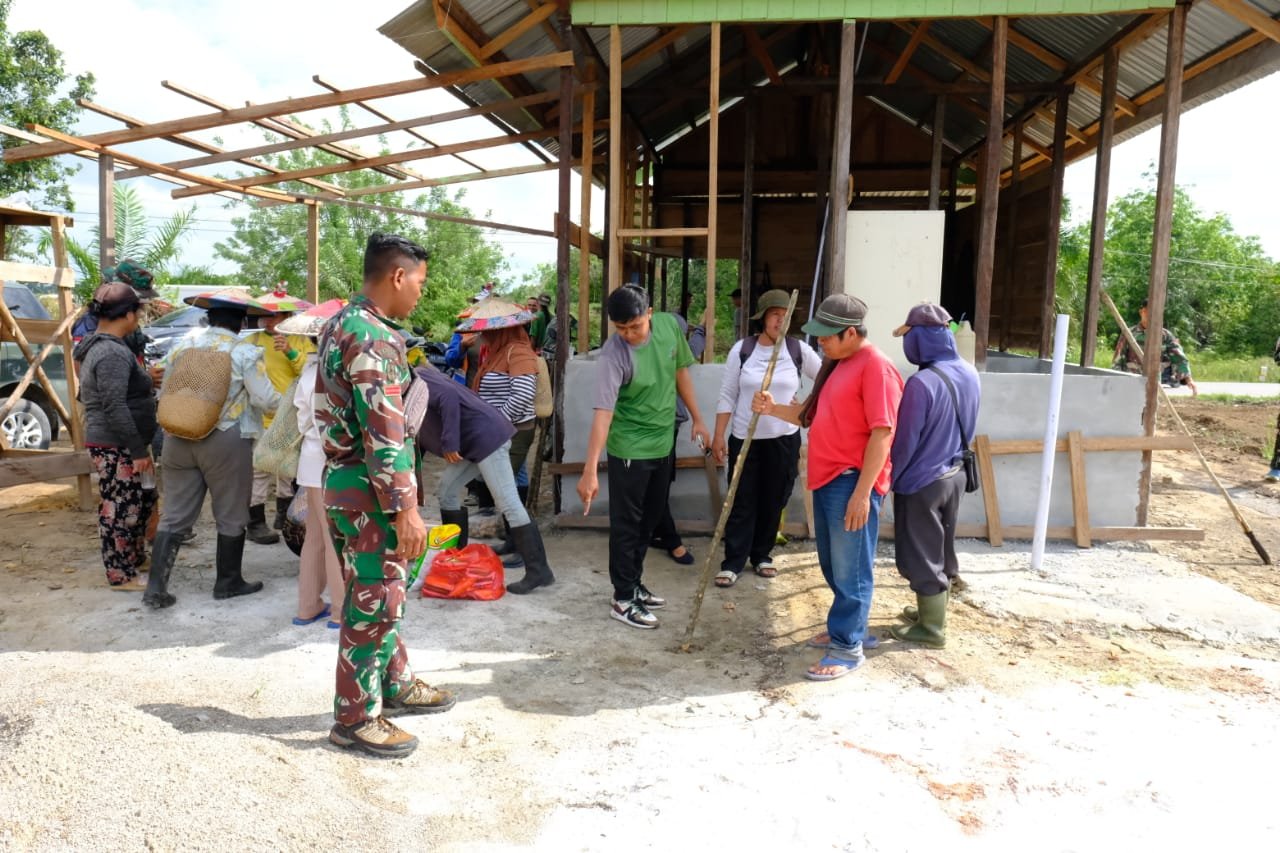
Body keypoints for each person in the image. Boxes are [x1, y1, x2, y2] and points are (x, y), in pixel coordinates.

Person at [317, 232, 455, 759]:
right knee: (375, 603)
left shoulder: (341, 324)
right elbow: (384, 433)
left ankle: (393, 684)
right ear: (398, 276)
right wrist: (406, 508)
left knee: (379, 592)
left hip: (350, 487)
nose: (421, 292)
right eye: (419, 281)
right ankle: (354, 719)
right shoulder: (371, 337)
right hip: (372, 493)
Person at [753, 294, 903, 680]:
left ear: (850, 332)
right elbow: (808, 416)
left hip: (852, 479)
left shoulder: (876, 368)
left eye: (826, 336)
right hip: (827, 477)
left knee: (851, 567)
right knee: (834, 564)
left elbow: (882, 434)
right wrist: (772, 409)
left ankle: (848, 648)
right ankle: (849, 629)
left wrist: (862, 493)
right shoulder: (838, 364)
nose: (819, 342)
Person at [578, 286, 710, 630]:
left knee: (650, 519)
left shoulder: (668, 327)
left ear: (649, 313)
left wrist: (697, 417)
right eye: (620, 329)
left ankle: (633, 582)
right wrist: (590, 469)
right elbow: (603, 413)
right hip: (629, 449)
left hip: (663, 441)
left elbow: (681, 371)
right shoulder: (613, 355)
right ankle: (622, 598)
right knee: (627, 524)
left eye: (634, 326)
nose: (628, 335)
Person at [143, 300, 281, 610]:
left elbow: (163, 385)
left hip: (178, 435)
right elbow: (265, 399)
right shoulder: (244, 351)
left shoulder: (183, 347)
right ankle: (228, 582)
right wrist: (290, 400)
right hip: (226, 439)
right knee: (231, 511)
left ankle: (155, 588)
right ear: (242, 323)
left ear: (208, 319)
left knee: (176, 513)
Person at [408, 365, 555, 593]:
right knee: (447, 492)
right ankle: (457, 559)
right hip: (472, 443)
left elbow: (447, 397)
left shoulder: (419, 377)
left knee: (508, 502)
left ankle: (539, 570)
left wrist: (450, 443)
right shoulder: (405, 388)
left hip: (487, 438)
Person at [711, 289, 822, 587]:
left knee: (775, 499)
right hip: (744, 440)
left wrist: (805, 405)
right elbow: (727, 395)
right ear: (763, 319)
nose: (780, 322)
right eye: (775, 315)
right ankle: (733, 561)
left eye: (785, 317)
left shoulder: (798, 351)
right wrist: (718, 435)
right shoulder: (743, 350)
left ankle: (762, 554)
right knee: (741, 500)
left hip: (784, 440)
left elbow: (826, 378)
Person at [886, 304, 980, 649]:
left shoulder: (921, 384)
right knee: (942, 546)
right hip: (955, 473)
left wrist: (889, 480)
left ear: (922, 338)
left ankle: (932, 628)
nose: (906, 343)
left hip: (921, 481)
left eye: (908, 335)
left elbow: (905, 442)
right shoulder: (969, 372)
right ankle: (930, 611)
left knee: (921, 551)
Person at [74, 283, 158, 590]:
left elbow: (91, 395)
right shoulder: (110, 351)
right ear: (128, 314)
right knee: (121, 508)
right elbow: (113, 404)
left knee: (139, 501)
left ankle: (133, 559)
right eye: (139, 311)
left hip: (119, 441)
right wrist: (136, 450)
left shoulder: (101, 345)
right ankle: (120, 574)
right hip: (117, 444)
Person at [286, 310, 345, 628]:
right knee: (338, 537)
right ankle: (339, 610)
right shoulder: (339, 374)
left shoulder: (307, 375)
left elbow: (301, 422)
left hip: (310, 462)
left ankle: (307, 607)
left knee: (315, 537)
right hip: (336, 465)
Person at [471, 309, 540, 565]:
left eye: (489, 331)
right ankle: (515, 541)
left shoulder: (518, 352)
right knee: (514, 484)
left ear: (502, 330)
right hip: (505, 430)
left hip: (511, 431)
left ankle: (526, 553)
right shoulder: (500, 352)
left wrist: (495, 423)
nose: (483, 336)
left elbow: (522, 395)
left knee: (506, 492)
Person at [244, 295, 315, 541]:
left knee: (287, 468)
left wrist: (290, 351)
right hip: (259, 416)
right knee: (259, 469)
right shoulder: (252, 341)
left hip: (290, 415)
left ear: (287, 317)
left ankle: (284, 517)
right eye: (266, 314)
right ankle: (255, 523)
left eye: (275, 315)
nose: (269, 320)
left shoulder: (301, 341)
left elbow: (308, 371)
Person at [1112, 299, 1198, 396]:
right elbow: (1118, 360)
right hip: (1131, 382)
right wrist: (1115, 381)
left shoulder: (1164, 335)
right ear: (1141, 312)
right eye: (1147, 311)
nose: (1149, 315)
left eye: (1154, 312)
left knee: (1151, 408)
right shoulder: (1129, 333)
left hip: (1153, 383)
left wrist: (1189, 379)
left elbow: (1179, 358)